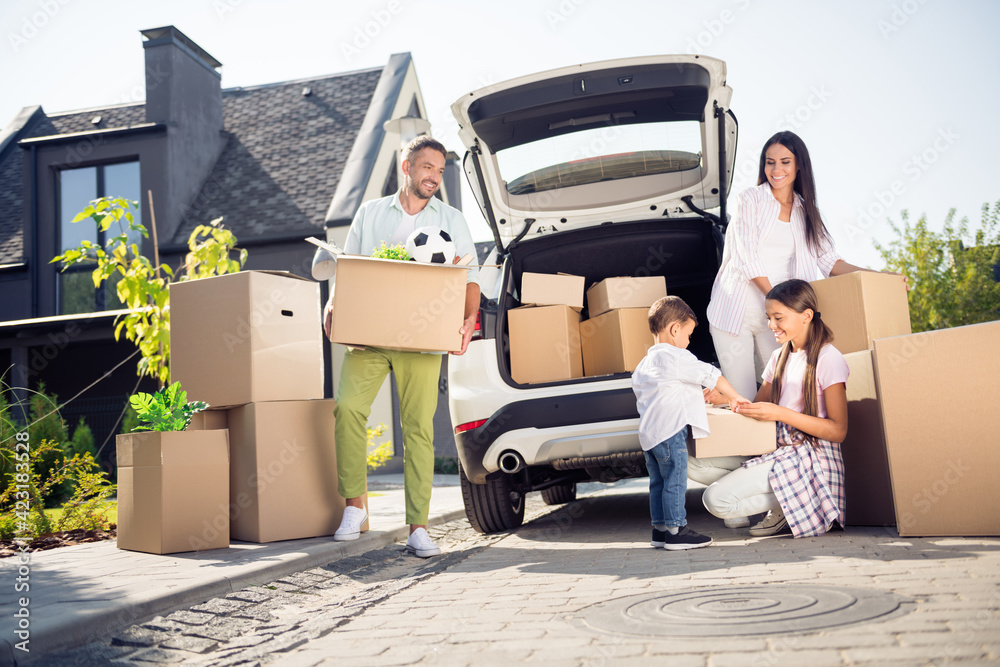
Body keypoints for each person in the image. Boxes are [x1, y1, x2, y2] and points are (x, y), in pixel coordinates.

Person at [697, 131, 904, 525]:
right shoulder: (750, 200)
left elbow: (831, 261)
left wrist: (880, 274)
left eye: (785, 162)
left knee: (775, 400)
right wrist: (775, 299)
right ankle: (751, 494)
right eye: (770, 162)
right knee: (747, 400)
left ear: (798, 167)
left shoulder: (806, 210)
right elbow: (745, 257)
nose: (776, 170)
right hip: (738, 313)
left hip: (777, 317)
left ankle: (770, 492)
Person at [322, 136, 481, 558]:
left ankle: (418, 528)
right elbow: (347, 266)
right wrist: (334, 301)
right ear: (406, 166)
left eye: (441, 170)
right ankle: (355, 505)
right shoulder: (371, 213)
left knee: (418, 430)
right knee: (349, 408)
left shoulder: (451, 219)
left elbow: (471, 276)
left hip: (425, 339)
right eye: (427, 167)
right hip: (371, 337)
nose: (434, 176)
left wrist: (469, 320)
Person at [701, 279, 849, 538]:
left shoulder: (828, 358)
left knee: (716, 500)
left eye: (778, 317)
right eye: (769, 317)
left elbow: (838, 431)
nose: (771, 326)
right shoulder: (779, 357)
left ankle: (792, 505)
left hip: (810, 458)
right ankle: (781, 500)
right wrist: (724, 400)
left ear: (806, 316)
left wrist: (781, 413)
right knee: (691, 462)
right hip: (777, 449)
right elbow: (758, 406)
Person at [631, 296, 749, 550]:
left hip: (650, 437)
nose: (688, 341)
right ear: (675, 329)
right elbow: (711, 374)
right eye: (689, 334)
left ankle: (660, 530)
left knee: (658, 483)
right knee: (675, 479)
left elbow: (667, 392)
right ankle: (677, 531)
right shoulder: (676, 357)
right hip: (670, 433)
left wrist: (695, 394)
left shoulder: (644, 364)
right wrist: (736, 397)